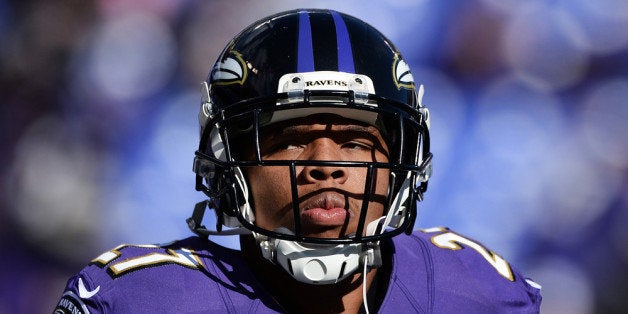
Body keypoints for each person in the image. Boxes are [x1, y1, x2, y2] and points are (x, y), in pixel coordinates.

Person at [55, 9, 542, 313]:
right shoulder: (150, 299)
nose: (323, 165)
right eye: (289, 139)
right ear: (230, 164)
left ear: (401, 164)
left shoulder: (474, 289)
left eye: (354, 141)